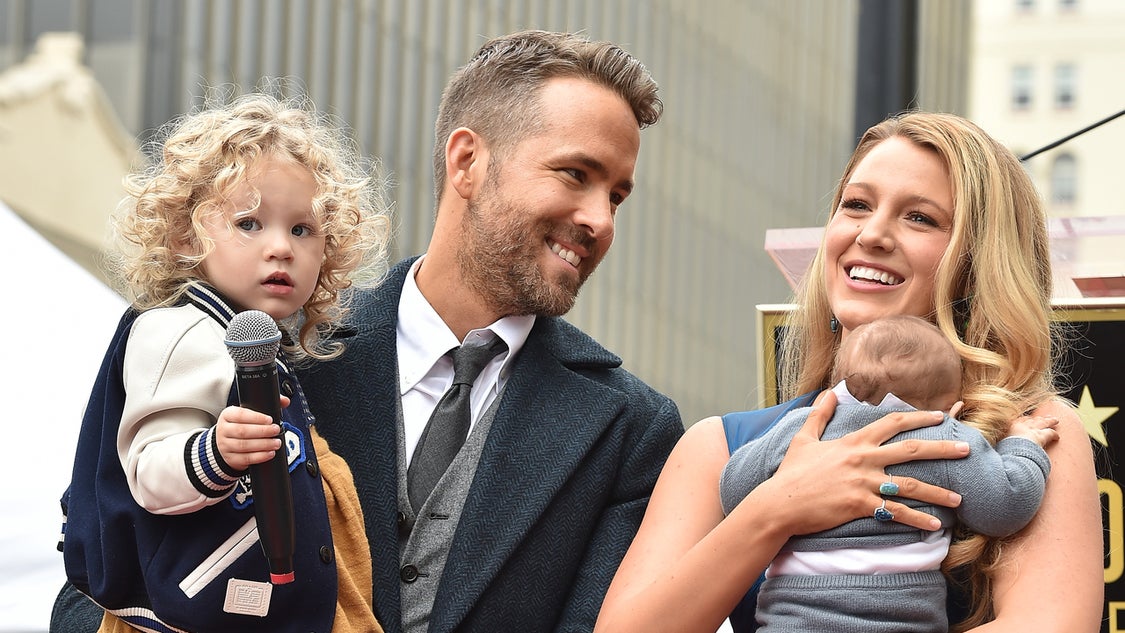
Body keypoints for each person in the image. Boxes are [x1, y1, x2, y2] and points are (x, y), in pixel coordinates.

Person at [595, 111, 1102, 633]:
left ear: (979, 263)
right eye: (856, 205)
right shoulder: (719, 445)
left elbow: (1049, 625)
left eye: (920, 218)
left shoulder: (1032, 433)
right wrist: (777, 509)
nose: (873, 234)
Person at [290, 29, 684, 633]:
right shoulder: (287, 351)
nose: (600, 221)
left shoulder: (634, 432)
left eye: (617, 197)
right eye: (576, 174)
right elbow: (96, 574)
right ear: (467, 161)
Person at [55, 92, 392, 632]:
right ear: (186, 234)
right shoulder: (179, 330)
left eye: (302, 230)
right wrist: (215, 452)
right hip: (189, 607)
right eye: (249, 224)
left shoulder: (241, 338)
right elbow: (151, 471)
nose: (280, 247)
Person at [719, 314, 1059, 632]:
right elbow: (1005, 506)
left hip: (791, 621)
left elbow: (734, 493)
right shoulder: (945, 436)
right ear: (949, 408)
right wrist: (1022, 445)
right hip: (900, 620)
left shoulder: (800, 430)